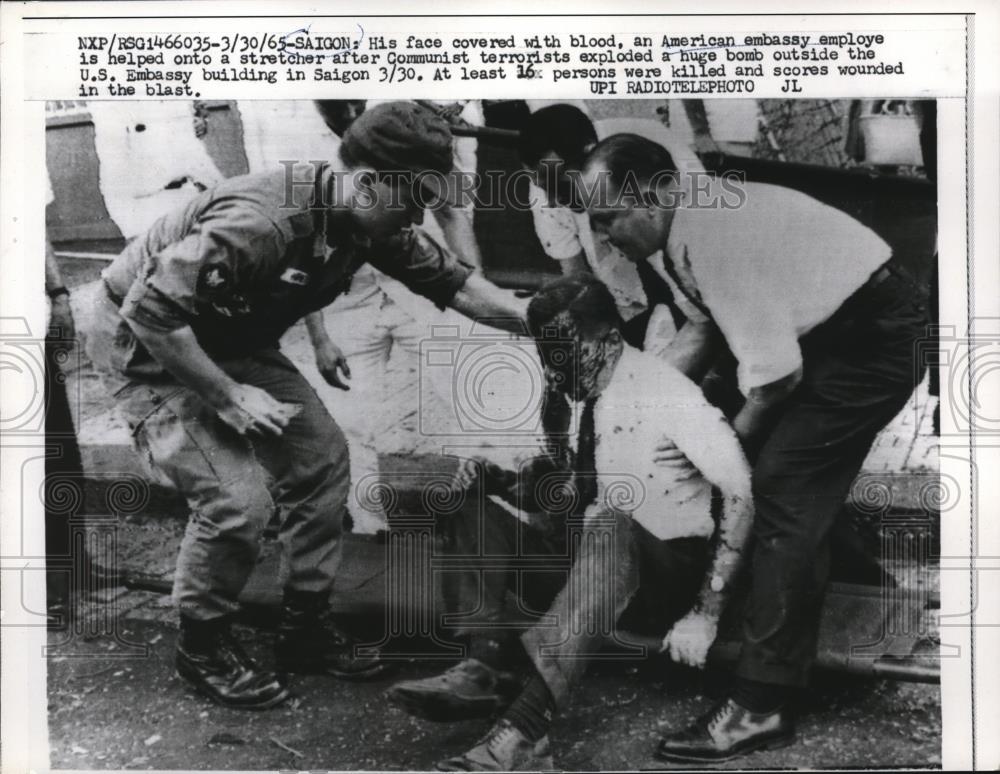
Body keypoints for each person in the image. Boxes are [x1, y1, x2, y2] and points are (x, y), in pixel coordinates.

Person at [83, 102, 528, 710]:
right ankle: (203, 645)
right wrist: (227, 394)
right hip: (146, 342)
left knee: (322, 458)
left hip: (226, 335)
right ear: (370, 181)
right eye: (414, 199)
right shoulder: (263, 217)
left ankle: (305, 627)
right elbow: (152, 310)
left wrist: (547, 324)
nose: (419, 215)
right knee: (236, 499)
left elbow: (459, 287)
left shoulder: (367, 216)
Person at [579, 134, 929, 761]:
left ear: (657, 193)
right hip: (830, 328)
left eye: (609, 220)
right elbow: (705, 325)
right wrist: (638, 405)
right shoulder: (682, 221)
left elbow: (775, 381)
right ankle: (862, 607)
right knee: (787, 479)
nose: (604, 238)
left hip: (874, 341)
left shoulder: (715, 237)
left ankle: (761, 703)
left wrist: (716, 454)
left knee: (780, 487)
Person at [390, 276, 755, 772]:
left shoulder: (666, 392)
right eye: (546, 356)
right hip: (586, 569)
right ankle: (485, 664)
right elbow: (560, 492)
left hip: (661, 577)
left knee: (611, 520)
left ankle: (525, 732)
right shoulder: (570, 393)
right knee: (468, 502)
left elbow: (741, 492)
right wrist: (494, 479)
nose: (554, 371)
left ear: (607, 340)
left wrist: (705, 613)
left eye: (565, 355)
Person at [519, 104, 706, 353]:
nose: (552, 200)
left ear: (589, 155)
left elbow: (702, 323)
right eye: (542, 187)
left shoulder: (656, 164)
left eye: (560, 187)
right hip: (624, 279)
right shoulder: (548, 185)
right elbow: (579, 284)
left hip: (686, 250)